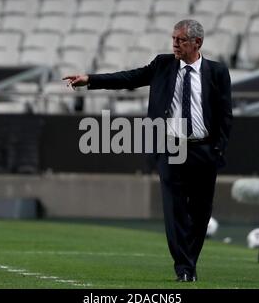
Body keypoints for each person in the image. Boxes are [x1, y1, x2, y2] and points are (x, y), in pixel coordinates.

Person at [63, 19, 233, 282]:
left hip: (204, 152)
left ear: (197, 43)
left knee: (200, 214)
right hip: (170, 148)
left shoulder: (218, 72)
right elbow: (130, 77)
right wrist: (90, 80)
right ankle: (185, 270)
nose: (174, 44)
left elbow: (225, 115)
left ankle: (189, 263)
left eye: (181, 40)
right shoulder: (163, 64)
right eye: (173, 38)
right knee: (175, 211)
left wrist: (217, 151)